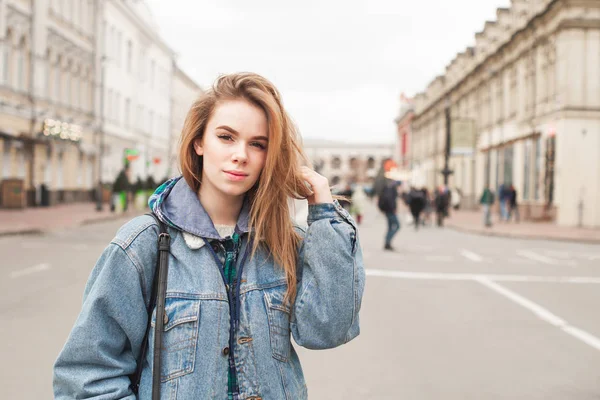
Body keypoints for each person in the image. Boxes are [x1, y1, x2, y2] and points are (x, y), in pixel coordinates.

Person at [53, 73, 365, 400]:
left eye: (257, 144)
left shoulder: (283, 240)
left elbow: (326, 330)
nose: (241, 154)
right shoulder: (144, 244)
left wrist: (324, 208)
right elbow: (88, 375)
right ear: (199, 142)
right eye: (226, 137)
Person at [378, 178, 400, 250]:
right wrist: (393, 208)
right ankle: (387, 240)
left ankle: (387, 243)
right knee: (397, 225)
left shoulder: (388, 188)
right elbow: (389, 199)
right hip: (390, 211)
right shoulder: (391, 189)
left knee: (390, 227)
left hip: (387, 211)